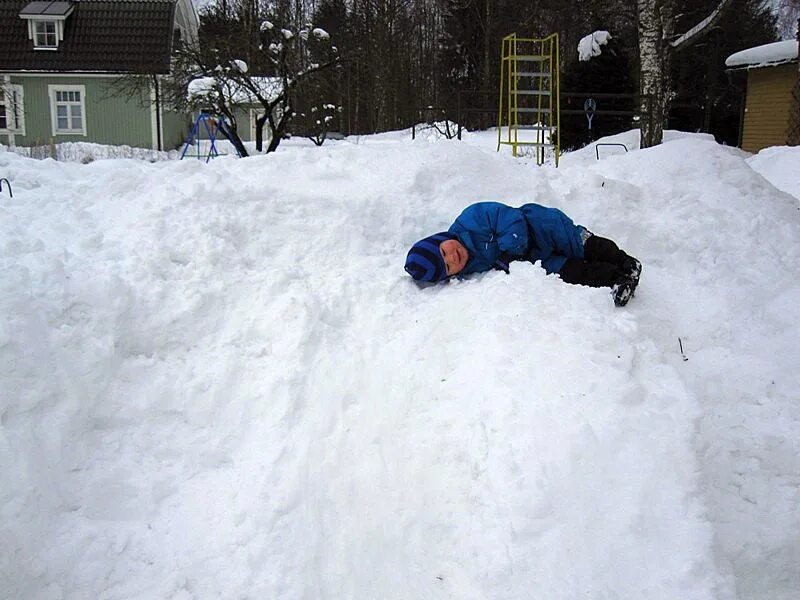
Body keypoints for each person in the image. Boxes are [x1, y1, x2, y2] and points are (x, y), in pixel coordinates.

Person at [404, 201, 642, 307]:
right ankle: (616, 279)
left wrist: (509, 252)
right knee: (572, 271)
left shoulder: (472, 218)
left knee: (584, 245)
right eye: (447, 266)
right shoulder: (470, 267)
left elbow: (509, 218)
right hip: (536, 260)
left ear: (441, 238)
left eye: (443, 252)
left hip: (541, 227)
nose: (452, 258)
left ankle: (626, 263)